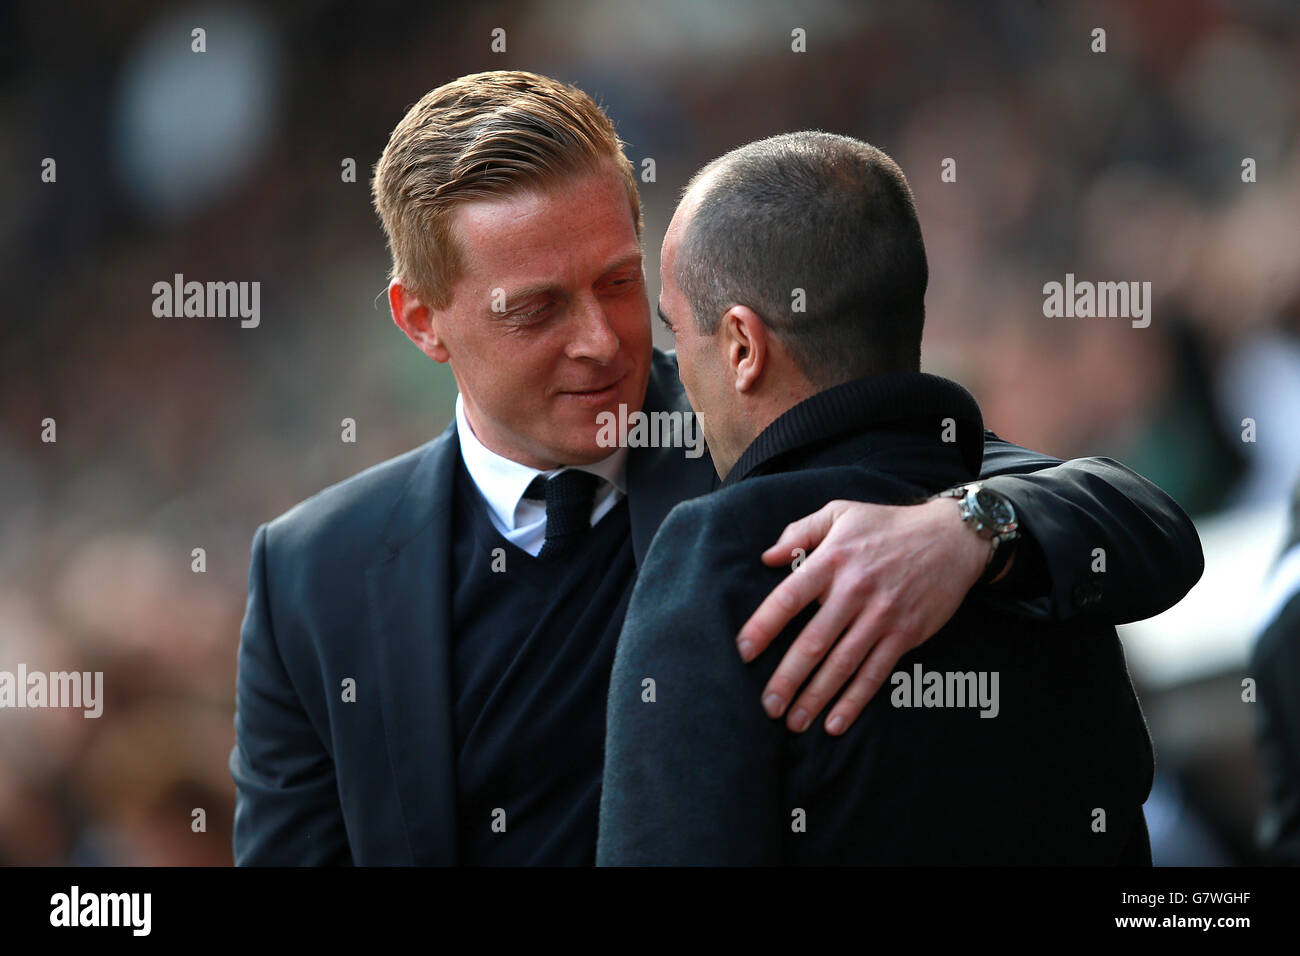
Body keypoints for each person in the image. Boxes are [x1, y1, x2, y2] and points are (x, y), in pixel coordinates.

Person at [230, 72, 1202, 865]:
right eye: (534, 309)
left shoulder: (761, 422)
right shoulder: (312, 575)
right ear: (419, 320)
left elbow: (1131, 519)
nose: (601, 340)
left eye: (618, 281)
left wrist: (970, 527)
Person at [598, 131, 1194, 865]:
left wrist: (969, 531)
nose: (673, 371)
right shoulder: (1025, 534)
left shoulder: (718, 560)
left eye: (677, 331)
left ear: (742, 347)